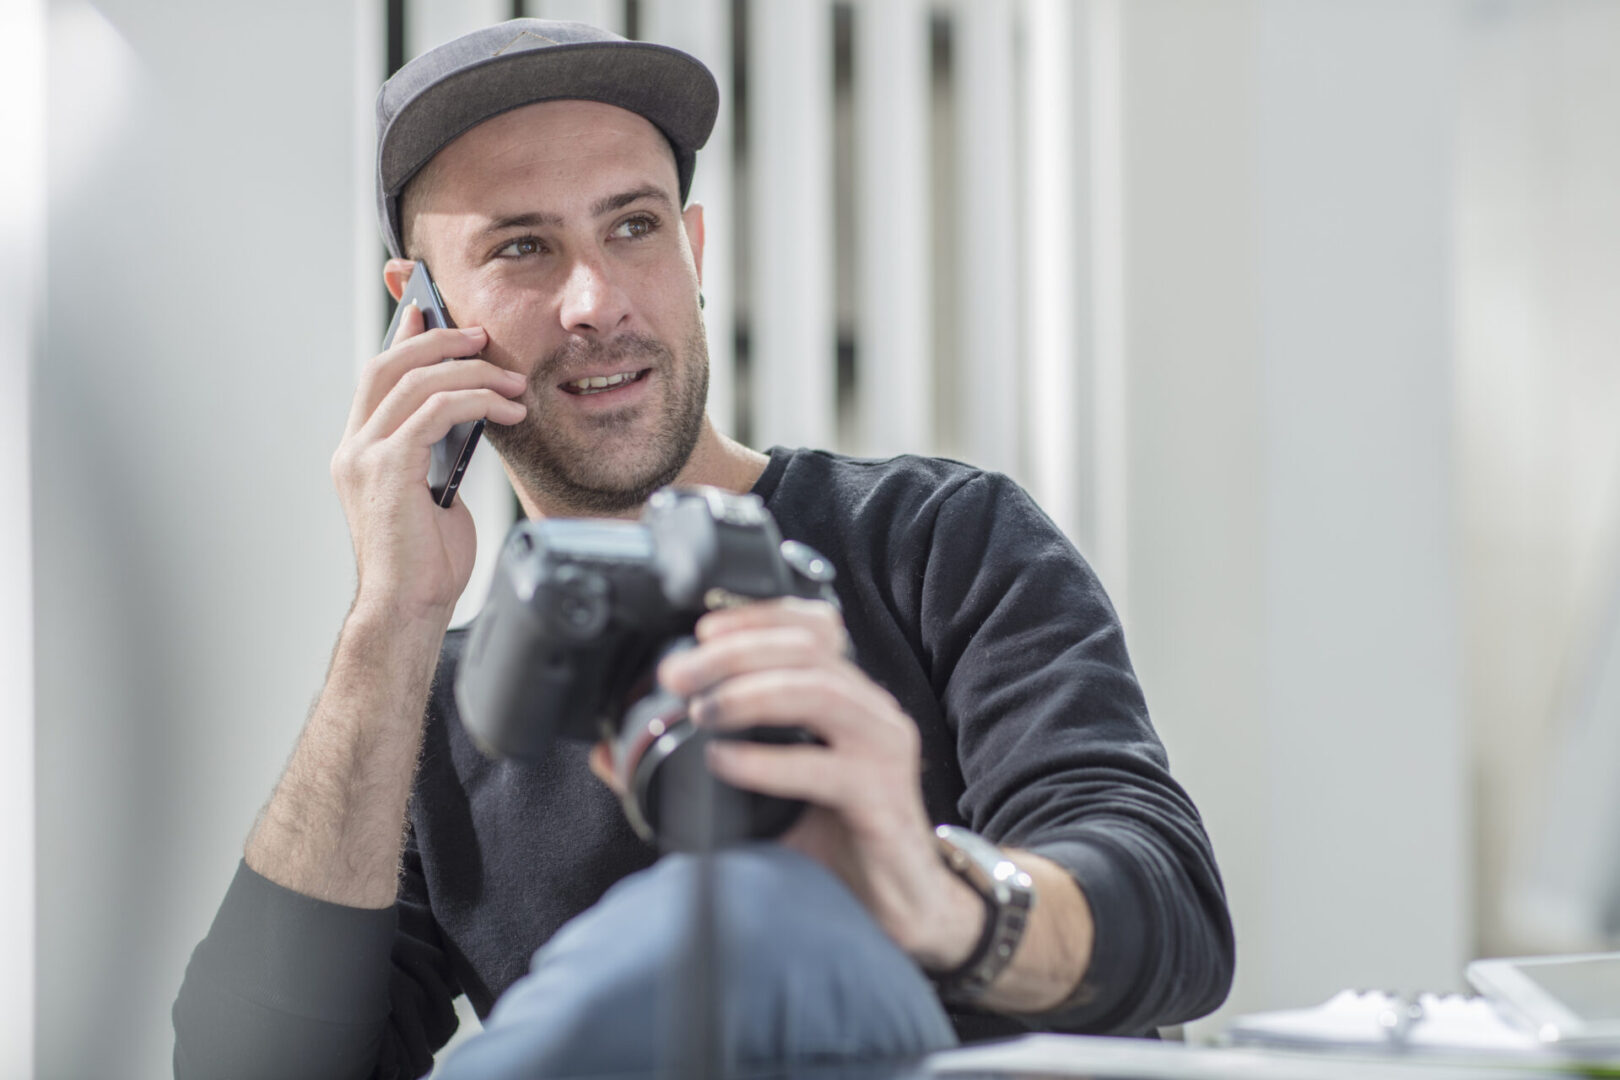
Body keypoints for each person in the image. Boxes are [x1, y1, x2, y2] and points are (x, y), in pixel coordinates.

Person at [174, 18, 1234, 1079]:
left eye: (632, 227)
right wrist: (389, 618)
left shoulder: (936, 541)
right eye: (522, 248)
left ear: (694, 251)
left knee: (756, 917)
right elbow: (243, 1067)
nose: (598, 302)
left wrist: (929, 897)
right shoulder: (435, 711)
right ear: (423, 314)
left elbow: (1168, 909)